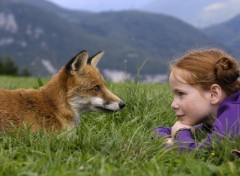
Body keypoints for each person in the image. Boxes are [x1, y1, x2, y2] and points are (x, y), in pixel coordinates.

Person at [154, 48, 240, 151]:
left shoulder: (234, 116)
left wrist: (180, 134)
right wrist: (171, 138)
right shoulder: (213, 118)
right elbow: (159, 131)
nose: (173, 104)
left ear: (214, 94)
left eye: (181, 94)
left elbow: (199, 153)